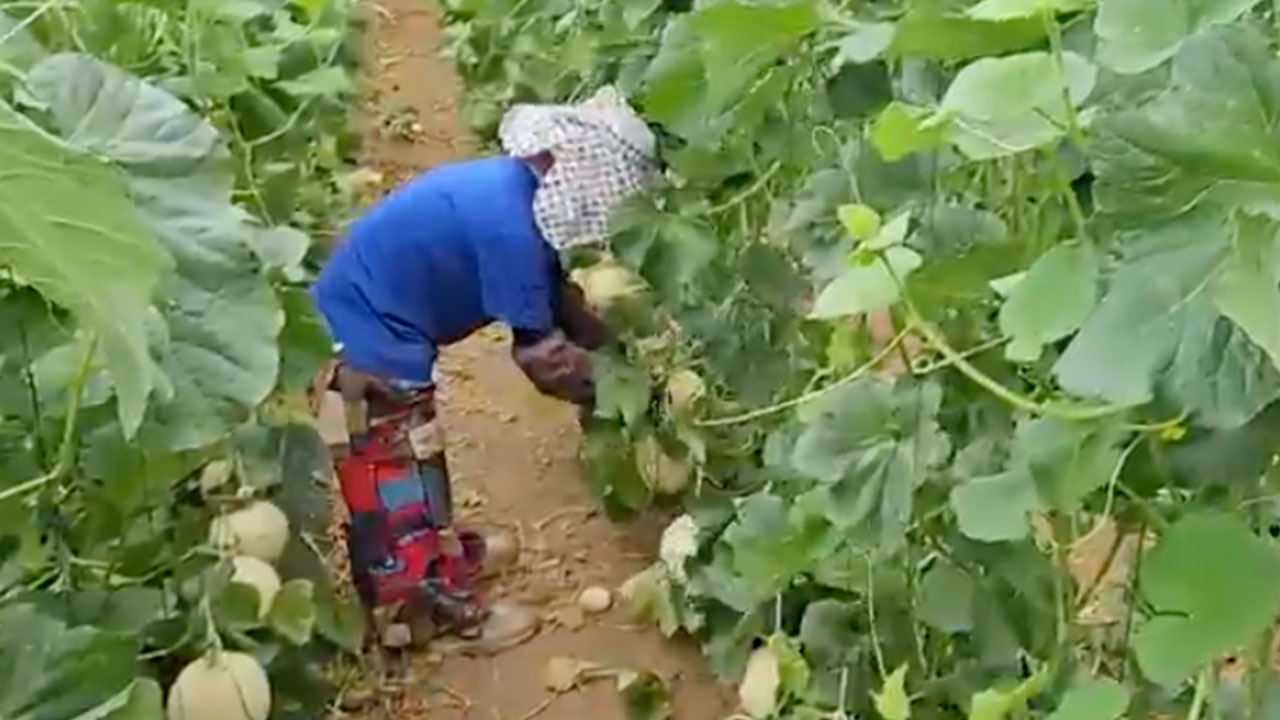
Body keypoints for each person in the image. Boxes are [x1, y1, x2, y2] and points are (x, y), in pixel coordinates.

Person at [311, 87, 659, 649]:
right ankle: (422, 611)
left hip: (372, 332)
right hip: (361, 350)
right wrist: (618, 394)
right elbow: (541, 356)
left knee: (416, 455)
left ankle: (438, 559)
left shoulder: (512, 191)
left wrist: (619, 354)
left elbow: (557, 301)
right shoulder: (510, 230)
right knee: (389, 476)